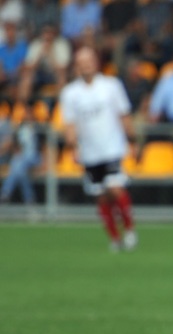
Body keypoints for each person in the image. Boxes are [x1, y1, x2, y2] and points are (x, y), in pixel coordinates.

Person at [60, 46, 137, 252]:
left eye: (89, 60)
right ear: (77, 65)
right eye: (81, 61)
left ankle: (129, 229)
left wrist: (132, 140)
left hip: (112, 147)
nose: (85, 65)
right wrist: (73, 147)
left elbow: (124, 114)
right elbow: (70, 124)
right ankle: (114, 238)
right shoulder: (70, 93)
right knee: (101, 196)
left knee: (115, 189)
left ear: (96, 62)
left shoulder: (111, 85)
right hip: (90, 153)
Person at [0, 103, 40, 206]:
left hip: (35, 157)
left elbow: (44, 146)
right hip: (22, 158)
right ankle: (30, 199)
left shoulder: (38, 128)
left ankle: (6, 192)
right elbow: (15, 145)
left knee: (17, 164)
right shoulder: (20, 128)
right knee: (20, 171)